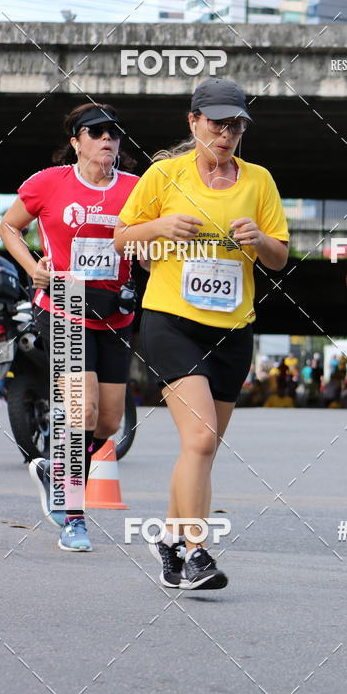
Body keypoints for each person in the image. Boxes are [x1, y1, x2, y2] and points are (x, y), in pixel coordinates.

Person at [114, 78, 289, 591]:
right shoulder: (164, 174)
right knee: (201, 437)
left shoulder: (259, 181)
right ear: (193, 122)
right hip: (171, 320)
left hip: (233, 330)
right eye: (216, 123)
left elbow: (279, 258)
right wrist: (159, 227)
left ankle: (169, 540)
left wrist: (260, 239)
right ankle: (196, 552)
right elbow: (122, 237)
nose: (226, 134)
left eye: (235, 125)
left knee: (202, 449)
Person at [0, 103, 138, 552]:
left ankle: (55, 470)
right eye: (95, 132)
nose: (107, 139)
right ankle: (72, 515)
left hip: (115, 313)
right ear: (76, 141)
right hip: (65, 304)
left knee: (109, 422)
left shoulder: (136, 189)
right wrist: (33, 269)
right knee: (84, 411)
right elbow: (9, 227)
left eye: (113, 133)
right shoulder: (48, 183)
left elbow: (149, 241)